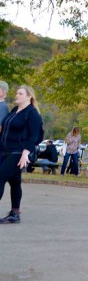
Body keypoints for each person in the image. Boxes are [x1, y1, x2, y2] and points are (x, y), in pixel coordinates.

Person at [0, 85, 43, 224]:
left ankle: (15, 214)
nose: (16, 95)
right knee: (15, 182)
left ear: (29, 97)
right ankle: (15, 213)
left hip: (18, 153)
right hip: (4, 150)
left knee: (0, 177)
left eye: (20, 93)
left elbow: (35, 136)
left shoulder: (32, 114)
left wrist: (26, 152)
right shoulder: (14, 111)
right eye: (16, 93)